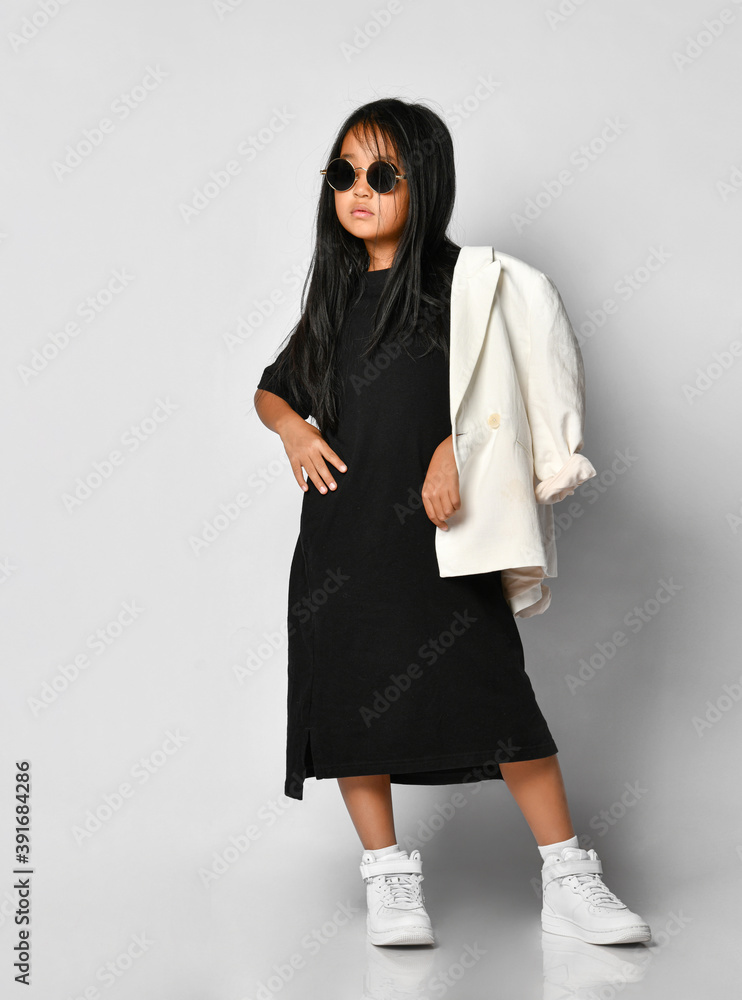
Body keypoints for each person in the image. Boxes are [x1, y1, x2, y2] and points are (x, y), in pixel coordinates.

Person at [254, 97, 651, 948]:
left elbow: (499, 389)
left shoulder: (465, 286)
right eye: (344, 174)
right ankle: (390, 880)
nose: (360, 190)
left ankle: (568, 877)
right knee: (355, 707)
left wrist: (458, 448)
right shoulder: (333, 296)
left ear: (424, 183)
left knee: (498, 698)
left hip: (445, 538)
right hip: (341, 540)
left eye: (383, 176)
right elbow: (274, 387)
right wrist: (293, 429)